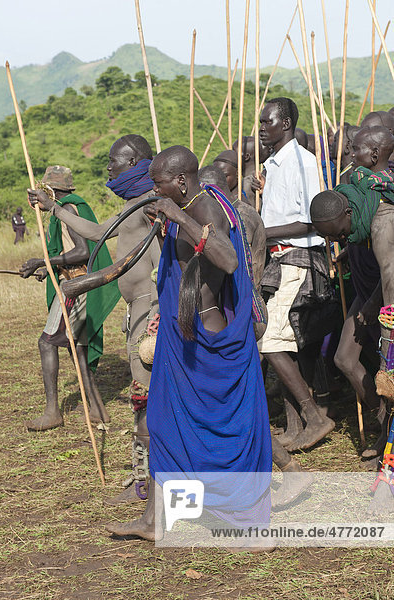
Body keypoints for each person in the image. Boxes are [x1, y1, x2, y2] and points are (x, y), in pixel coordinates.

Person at [106, 145, 272, 542]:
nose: (155, 189)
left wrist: (176, 215)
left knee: (215, 429)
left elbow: (229, 261)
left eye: (159, 183)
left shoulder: (204, 209)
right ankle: (152, 520)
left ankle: (242, 519)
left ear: (181, 181)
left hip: (207, 341)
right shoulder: (190, 204)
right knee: (165, 423)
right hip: (184, 339)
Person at [26, 136, 159, 503]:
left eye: (114, 162)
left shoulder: (152, 206)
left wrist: (157, 317)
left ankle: (145, 484)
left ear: (133, 162)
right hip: (139, 309)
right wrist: (54, 209)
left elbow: (163, 268)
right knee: (144, 397)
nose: (108, 169)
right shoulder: (135, 204)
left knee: (145, 398)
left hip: (151, 312)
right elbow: (100, 233)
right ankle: (145, 481)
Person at [198, 164, 313, 508]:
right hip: (234, 313)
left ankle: (284, 472)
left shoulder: (236, 217)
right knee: (235, 402)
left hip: (241, 313)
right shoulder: (230, 213)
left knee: (238, 403)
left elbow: (233, 270)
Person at [310, 148, 394, 513]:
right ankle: (382, 424)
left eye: (341, 233)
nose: (340, 240)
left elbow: (392, 281)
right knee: (345, 357)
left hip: (390, 299)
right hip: (375, 293)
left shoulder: (382, 224)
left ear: (349, 214)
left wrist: (388, 353)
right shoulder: (352, 197)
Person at [254, 96, 336, 452]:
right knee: (281, 343)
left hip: (298, 259)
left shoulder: (303, 162)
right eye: (259, 123)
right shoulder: (273, 164)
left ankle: (315, 417)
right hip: (278, 260)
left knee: (271, 341)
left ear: (285, 124)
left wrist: (260, 230)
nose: (260, 130)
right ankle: (292, 425)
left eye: (266, 122)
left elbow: (311, 221)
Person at [22, 166, 120, 431]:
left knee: (46, 342)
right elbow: (71, 252)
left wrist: (43, 260)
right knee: (78, 349)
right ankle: (98, 409)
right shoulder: (71, 207)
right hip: (75, 280)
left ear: (50, 191)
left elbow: (83, 251)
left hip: (76, 287)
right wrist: (48, 268)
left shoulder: (67, 210)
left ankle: (52, 412)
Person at [333, 126, 394, 463]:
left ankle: (388, 439)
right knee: (344, 359)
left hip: (383, 299)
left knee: (388, 371)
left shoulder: (386, 198)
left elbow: (391, 268)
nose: (350, 156)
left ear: (373, 155)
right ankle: (381, 420)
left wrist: (373, 304)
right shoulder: (360, 190)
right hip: (363, 288)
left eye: (355, 150)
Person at [232, 136, 271, 209]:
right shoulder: (260, 178)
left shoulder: (249, 183)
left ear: (246, 157)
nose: (231, 155)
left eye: (234, 152)